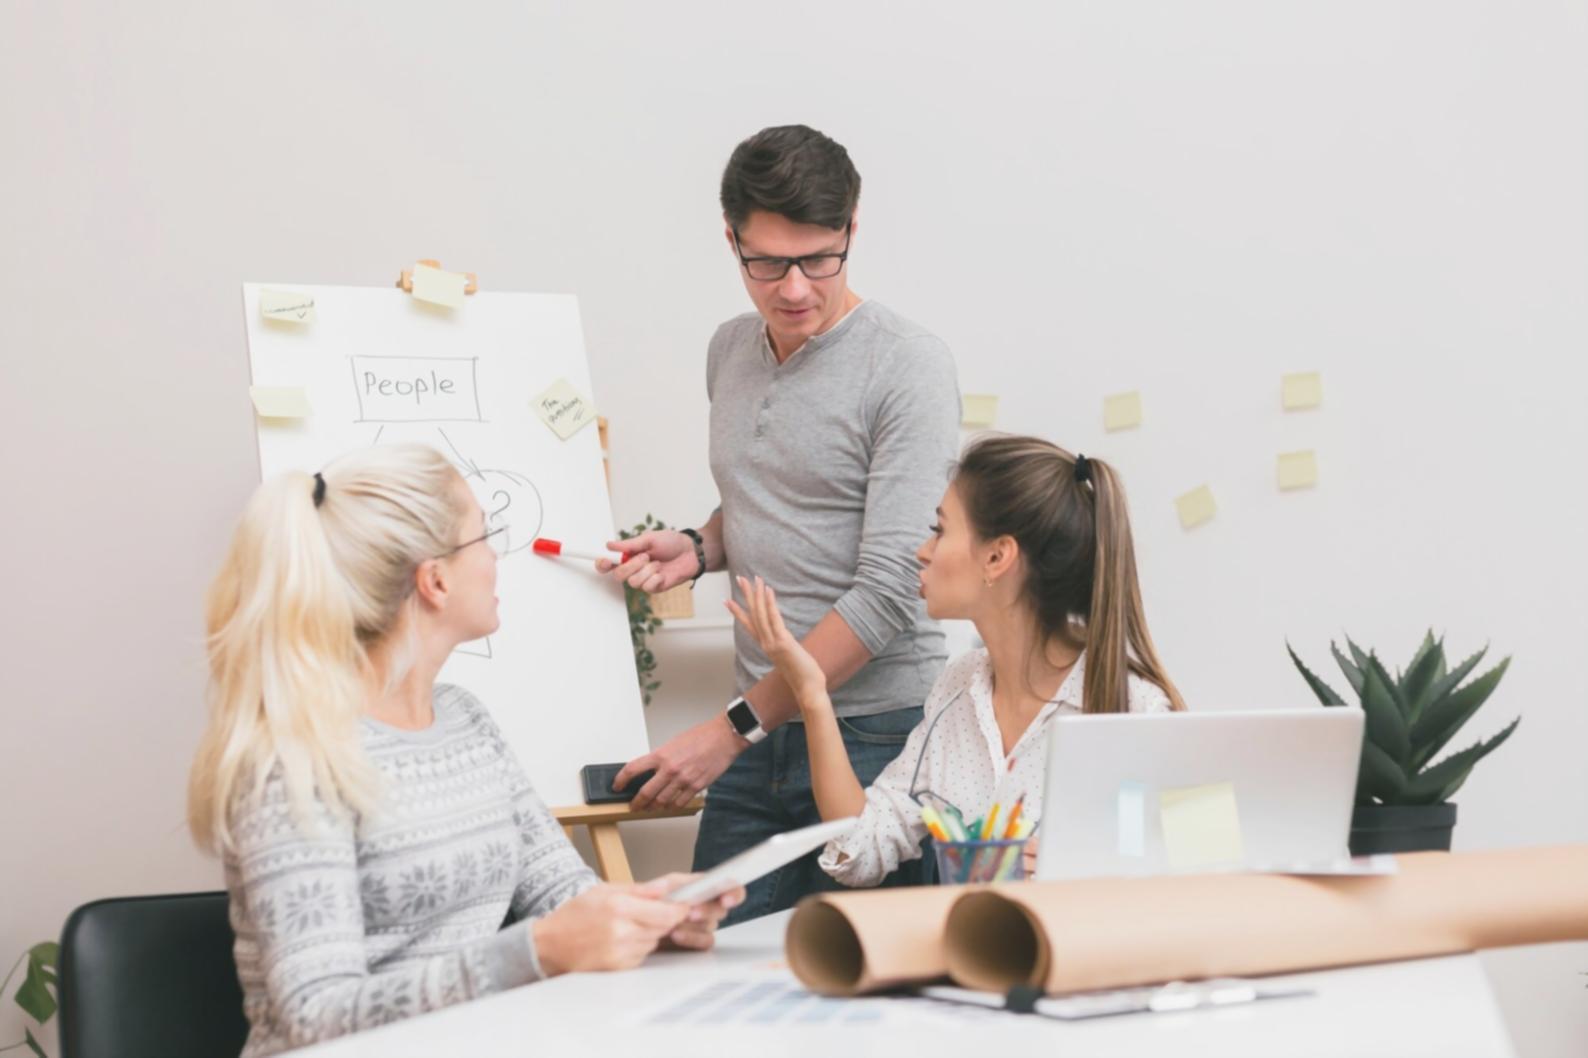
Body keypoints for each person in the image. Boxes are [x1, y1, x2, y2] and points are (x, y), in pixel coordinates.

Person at [187, 444, 741, 1057]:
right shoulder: (293, 761)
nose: (498, 557)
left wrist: (651, 916)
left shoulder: (463, 719)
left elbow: (562, 892)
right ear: (436, 579)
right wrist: (537, 951)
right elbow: (315, 1018)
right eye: (485, 535)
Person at [598, 124, 961, 922]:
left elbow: (891, 591)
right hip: (758, 739)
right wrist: (701, 545)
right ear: (730, 240)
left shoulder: (908, 365)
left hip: (874, 737)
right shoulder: (728, 349)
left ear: (852, 230)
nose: (795, 288)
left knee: (870, 990)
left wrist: (731, 730)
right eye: (767, 263)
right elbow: (779, 489)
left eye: (819, 259)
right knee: (707, 972)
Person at [727, 434, 1186, 885]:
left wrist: (1089, 865)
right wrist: (811, 693)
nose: (922, 552)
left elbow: (1211, 860)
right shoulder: (958, 688)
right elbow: (862, 848)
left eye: (939, 530)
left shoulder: (1137, 709)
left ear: (996, 556)